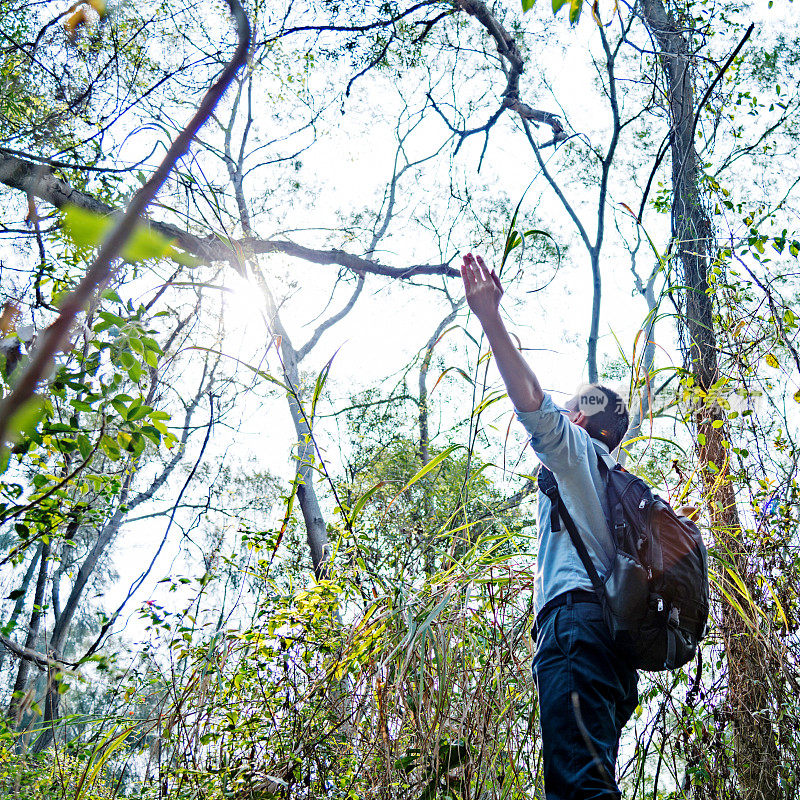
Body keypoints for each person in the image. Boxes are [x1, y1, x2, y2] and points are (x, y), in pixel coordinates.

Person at [460, 252, 638, 800]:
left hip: (576, 631)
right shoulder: (615, 489)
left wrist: (490, 318)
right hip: (611, 650)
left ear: (583, 419)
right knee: (590, 779)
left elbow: (533, 406)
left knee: (578, 788)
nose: (564, 410)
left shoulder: (577, 453)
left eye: (572, 407)